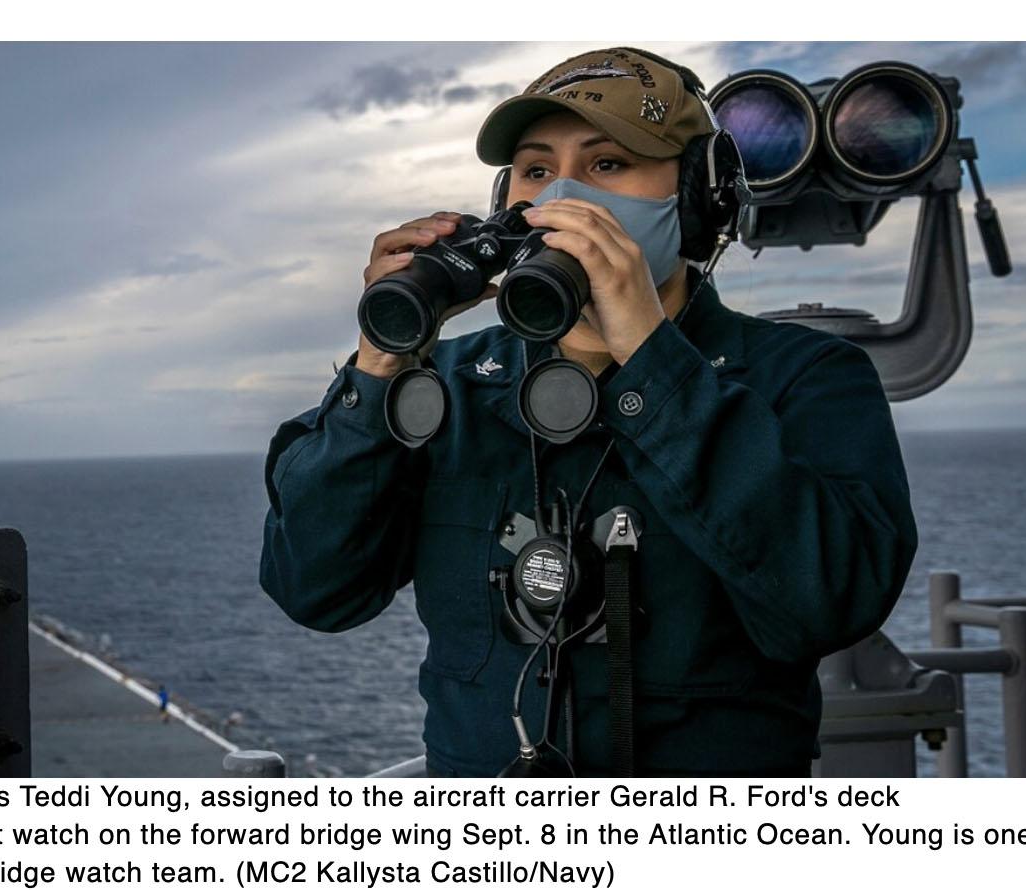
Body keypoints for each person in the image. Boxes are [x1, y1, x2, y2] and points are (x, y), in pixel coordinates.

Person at [259, 47, 917, 777]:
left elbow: (831, 601)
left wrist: (652, 359)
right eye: (538, 171)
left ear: (697, 198)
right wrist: (380, 367)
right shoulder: (448, 384)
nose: (566, 197)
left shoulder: (805, 378)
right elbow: (315, 589)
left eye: (608, 165)